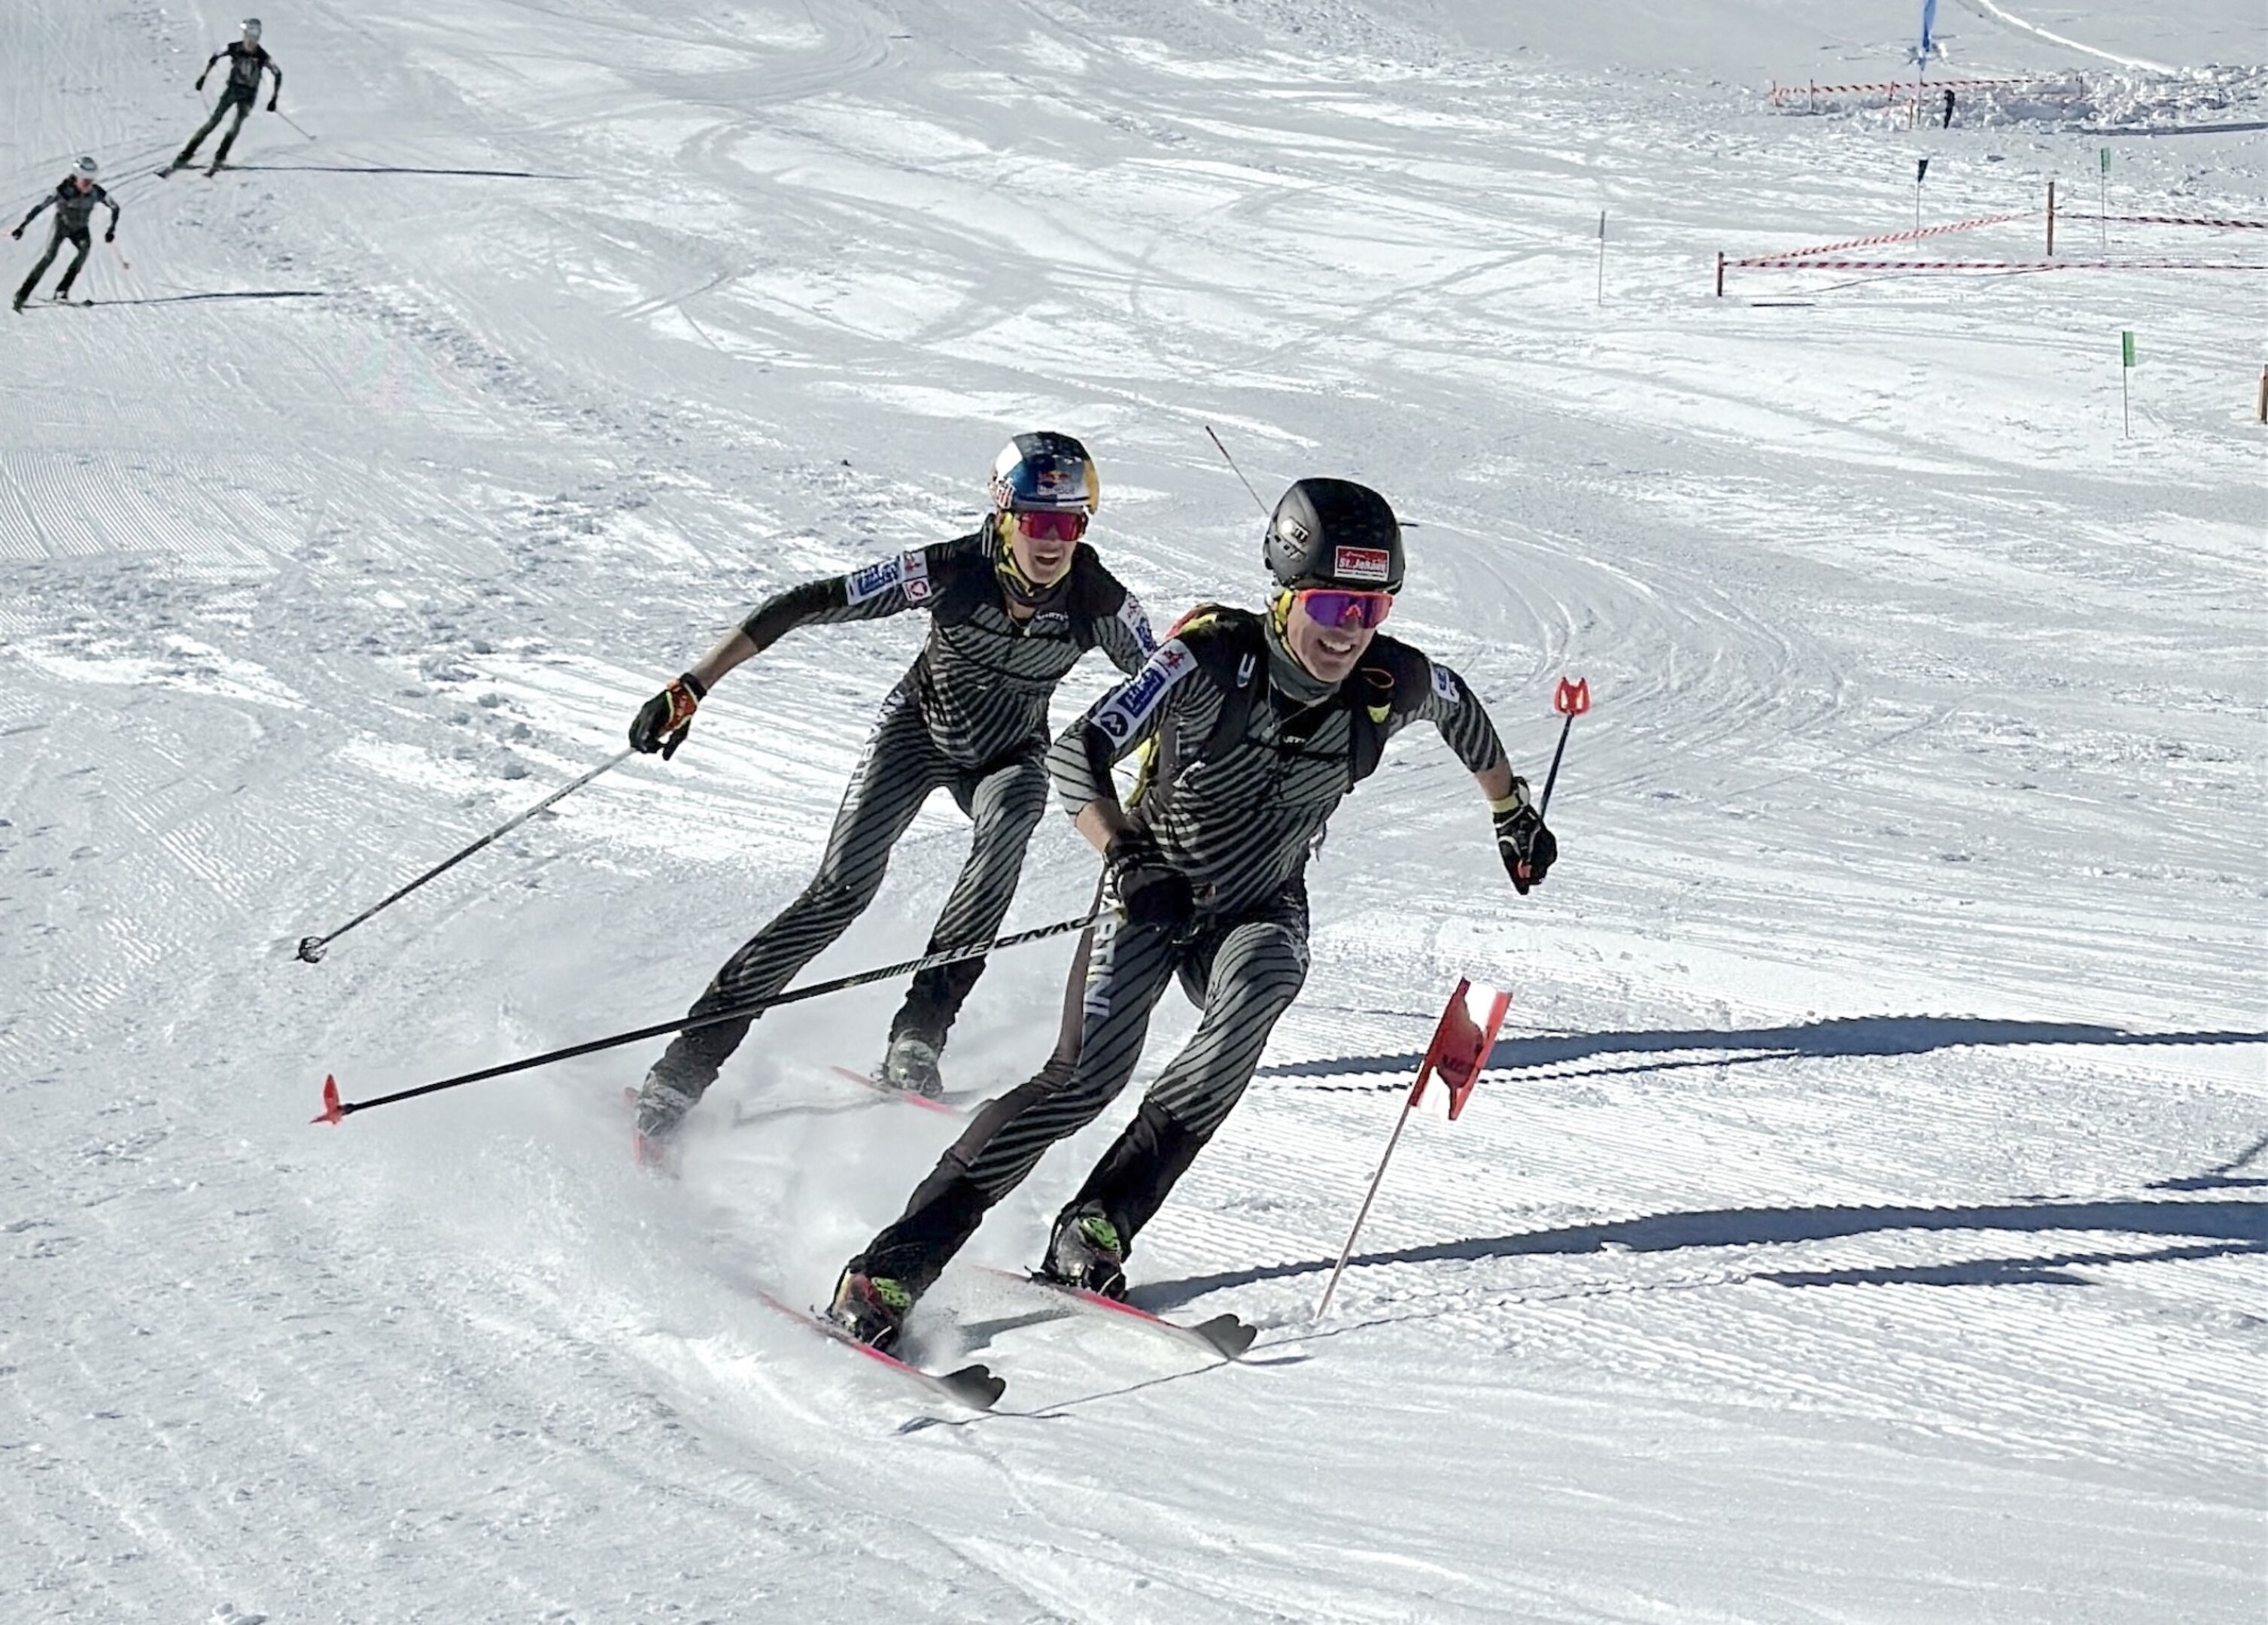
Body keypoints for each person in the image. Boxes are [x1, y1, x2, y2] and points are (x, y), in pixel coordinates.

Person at [828, 477, 1558, 1347]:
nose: (1346, 631)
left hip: (1257, 902)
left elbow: (1459, 708)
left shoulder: (1386, 680)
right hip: (1150, 891)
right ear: (1285, 593)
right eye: (1330, 604)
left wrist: (1510, 812)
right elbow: (1077, 751)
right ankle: (889, 1268)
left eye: (1369, 609)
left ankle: (1096, 1224)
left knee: (1263, 984)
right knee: (1083, 1082)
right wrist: (1125, 857)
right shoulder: (1206, 660)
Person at [626, 433, 1157, 1161]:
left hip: (1008, 754)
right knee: (837, 894)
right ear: (1003, 516)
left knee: (1013, 816)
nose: (1052, 541)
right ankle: (680, 1073)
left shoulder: (1099, 601)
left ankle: (919, 1034)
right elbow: (812, 602)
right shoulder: (951, 569)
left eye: (1069, 524)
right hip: (915, 734)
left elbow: (1168, 686)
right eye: (1037, 521)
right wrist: (692, 685)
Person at [170, 18, 283, 176]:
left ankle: (218, 156)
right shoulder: (241, 49)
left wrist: (274, 99)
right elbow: (216, 56)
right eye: (249, 35)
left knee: (234, 125)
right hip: (235, 90)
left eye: (253, 35)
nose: (251, 40)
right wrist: (203, 77)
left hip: (246, 94)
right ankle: (188, 154)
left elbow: (278, 74)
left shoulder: (259, 54)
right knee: (215, 122)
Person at [11, 158, 120, 311]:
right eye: (85, 180)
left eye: (91, 180)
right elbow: (41, 206)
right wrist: (23, 226)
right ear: (76, 178)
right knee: (49, 257)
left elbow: (115, 207)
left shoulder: (96, 192)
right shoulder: (63, 191)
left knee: (84, 251)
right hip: (61, 226)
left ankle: (62, 290)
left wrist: (111, 229)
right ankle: (22, 294)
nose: (88, 184)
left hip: (80, 228)